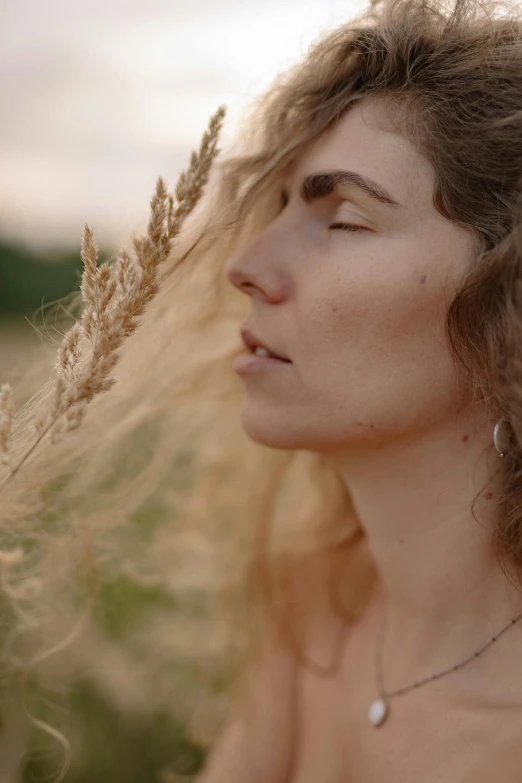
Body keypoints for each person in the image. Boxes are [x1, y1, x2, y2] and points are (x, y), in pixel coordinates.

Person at [3, 0, 522, 780]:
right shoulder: (321, 618)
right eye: (277, 206)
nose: (243, 266)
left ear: (507, 298)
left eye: (344, 217)